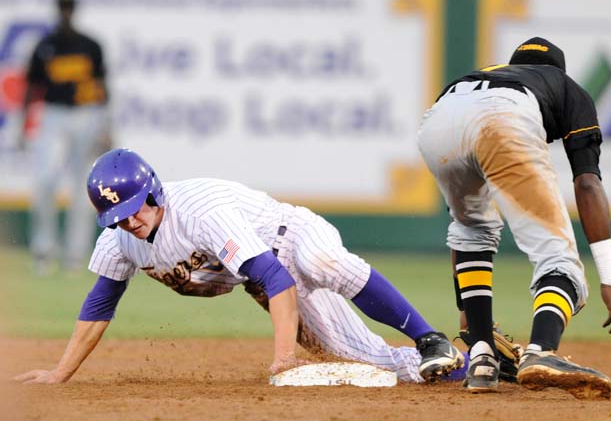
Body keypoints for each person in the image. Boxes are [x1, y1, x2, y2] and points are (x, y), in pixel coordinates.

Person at [14, 148, 465, 385]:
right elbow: (99, 304)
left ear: (154, 193)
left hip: (290, 236)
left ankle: (429, 338)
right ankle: (467, 364)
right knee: (365, 361)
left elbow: (275, 273)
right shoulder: (120, 243)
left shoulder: (199, 210)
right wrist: (60, 373)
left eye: (135, 208)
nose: (129, 221)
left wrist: (284, 357)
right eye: (117, 216)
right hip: (267, 284)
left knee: (324, 261)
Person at [416, 36, 611, 399]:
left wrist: (466, 311)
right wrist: (610, 280)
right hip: (504, 118)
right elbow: (588, 184)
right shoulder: (564, 85)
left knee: (472, 228)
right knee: (560, 260)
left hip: (437, 123)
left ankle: (481, 355)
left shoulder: (479, 75)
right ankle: (541, 351)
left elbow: (464, 230)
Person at [22, 0, 110, 273]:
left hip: (86, 115)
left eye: (69, 9)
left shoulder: (90, 45)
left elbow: (102, 90)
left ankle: (74, 255)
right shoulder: (46, 45)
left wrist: (106, 128)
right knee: (45, 181)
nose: (66, 14)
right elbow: (31, 87)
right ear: (58, 11)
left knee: (83, 187)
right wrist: (22, 125)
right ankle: (44, 250)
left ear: (74, 11)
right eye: (63, 9)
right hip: (54, 114)